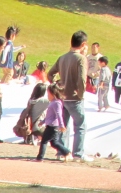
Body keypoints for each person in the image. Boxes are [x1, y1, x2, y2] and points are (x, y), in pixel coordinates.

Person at [48, 30, 88, 160]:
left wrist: (56, 85)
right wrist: (80, 94)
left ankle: (62, 152)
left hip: (62, 96)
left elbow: (50, 74)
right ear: (83, 44)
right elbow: (82, 79)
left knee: (63, 125)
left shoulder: (62, 58)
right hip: (74, 98)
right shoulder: (81, 58)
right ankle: (78, 153)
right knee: (80, 126)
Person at [36, 87, 69, 161]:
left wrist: (61, 125)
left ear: (53, 94)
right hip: (51, 125)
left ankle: (40, 157)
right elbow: (49, 116)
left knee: (44, 141)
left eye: (48, 94)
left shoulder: (56, 103)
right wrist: (43, 121)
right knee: (54, 143)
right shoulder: (53, 102)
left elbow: (59, 114)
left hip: (53, 126)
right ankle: (66, 152)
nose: (47, 96)